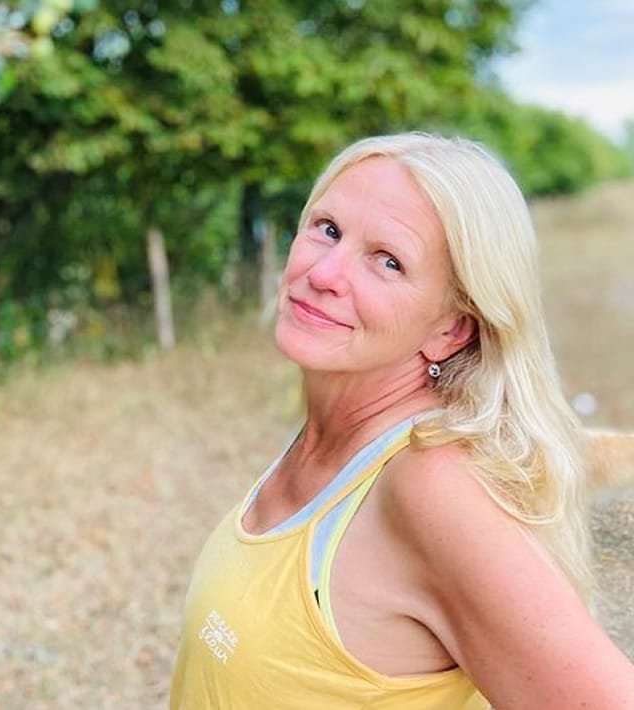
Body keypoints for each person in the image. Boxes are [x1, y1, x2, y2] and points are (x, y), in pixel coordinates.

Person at [169, 133, 634, 708]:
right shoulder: (333, 428)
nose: (325, 272)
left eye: (388, 261)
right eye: (327, 229)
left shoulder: (430, 486)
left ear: (452, 329)